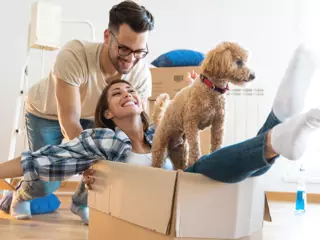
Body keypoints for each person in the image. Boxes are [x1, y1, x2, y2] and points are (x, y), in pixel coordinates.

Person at [0, 44, 319, 225]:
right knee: (203, 169)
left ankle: (279, 123)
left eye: (130, 90)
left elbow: (190, 115)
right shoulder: (103, 140)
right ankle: (278, 125)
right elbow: (42, 159)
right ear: (108, 113)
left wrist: (202, 86)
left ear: (141, 102)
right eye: (116, 94)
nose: (127, 93)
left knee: (216, 167)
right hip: (162, 205)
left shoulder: (158, 134)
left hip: (190, 194)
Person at [1, 0, 154, 223]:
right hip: (48, 113)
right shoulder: (75, 55)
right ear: (107, 36)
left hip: (96, 117)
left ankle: (81, 202)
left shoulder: (140, 74)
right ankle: (20, 195)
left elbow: (139, 125)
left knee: (108, 161)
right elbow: (70, 120)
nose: (131, 59)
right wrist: (85, 162)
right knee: (48, 177)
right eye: (124, 49)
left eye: (139, 51)